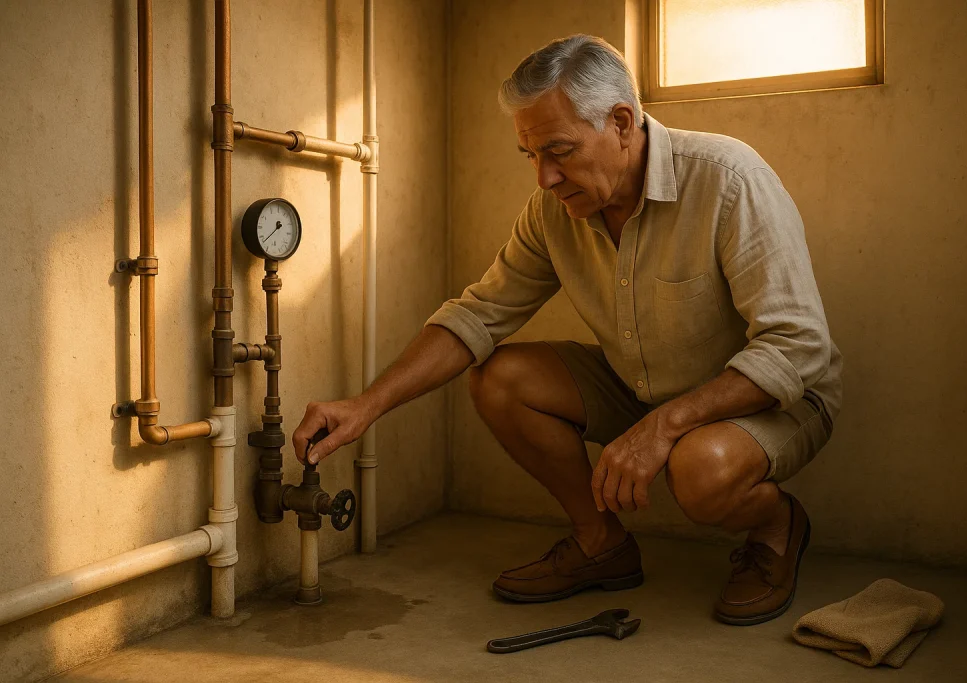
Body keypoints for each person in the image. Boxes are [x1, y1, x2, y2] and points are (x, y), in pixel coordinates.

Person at [292, 34, 842, 626]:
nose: (545, 178)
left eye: (560, 151)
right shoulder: (554, 210)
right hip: (642, 387)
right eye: (530, 155)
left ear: (623, 123)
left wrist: (668, 424)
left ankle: (775, 526)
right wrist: (366, 405)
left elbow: (797, 346)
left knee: (700, 469)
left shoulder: (729, 180)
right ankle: (600, 544)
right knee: (501, 378)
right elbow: (478, 315)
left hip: (770, 404)